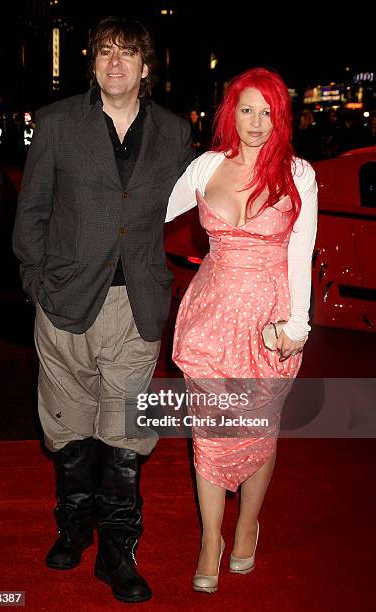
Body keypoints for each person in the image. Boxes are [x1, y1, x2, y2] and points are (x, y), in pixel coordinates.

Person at [12, 16, 193, 604]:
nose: (115, 62)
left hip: (135, 304)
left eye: (128, 54)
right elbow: (31, 214)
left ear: (146, 68)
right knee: (67, 431)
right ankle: (74, 525)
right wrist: (38, 283)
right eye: (105, 53)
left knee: (127, 435)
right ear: (92, 64)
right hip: (65, 301)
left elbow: (206, 204)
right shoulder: (58, 123)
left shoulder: (173, 133)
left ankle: (119, 551)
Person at [165, 67, 318, 593]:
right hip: (210, 316)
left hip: (266, 323)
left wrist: (297, 324)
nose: (256, 123)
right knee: (209, 434)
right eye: (247, 110)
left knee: (259, 428)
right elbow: (148, 213)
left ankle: (247, 523)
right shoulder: (206, 166)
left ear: (282, 118)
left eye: (268, 112)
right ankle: (212, 537)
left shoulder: (299, 174)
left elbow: (301, 253)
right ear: (231, 112)